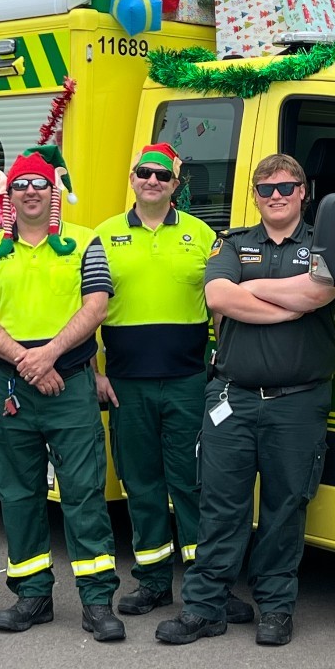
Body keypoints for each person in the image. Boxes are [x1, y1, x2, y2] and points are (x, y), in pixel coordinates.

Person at [157, 153, 335, 649]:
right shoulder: (232, 243)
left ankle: (276, 608)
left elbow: (320, 293)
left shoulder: (324, 245)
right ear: (254, 196)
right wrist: (289, 305)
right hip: (232, 399)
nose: (276, 197)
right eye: (266, 190)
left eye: (285, 187)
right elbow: (218, 298)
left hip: (298, 403)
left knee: (286, 509)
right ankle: (204, 608)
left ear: (304, 191)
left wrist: (254, 289)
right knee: (220, 508)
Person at [0, 144, 125, 643]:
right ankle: (31, 594)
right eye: (21, 184)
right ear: (9, 194)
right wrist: (28, 363)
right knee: (18, 495)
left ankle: (97, 602)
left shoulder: (84, 242)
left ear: (53, 190)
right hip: (13, 385)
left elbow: (96, 306)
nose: (31, 192)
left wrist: (48, 356)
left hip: (71, 384)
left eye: (40, 183)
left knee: (83, 495)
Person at [93, 143, 239, 618]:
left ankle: (207, 585)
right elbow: (82, 308)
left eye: (162, 176)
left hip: (188, 382)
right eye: (144, 173)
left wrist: (222, 369)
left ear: (177, 185)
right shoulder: (102, 235)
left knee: (194, 485)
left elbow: (221, 309)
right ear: (132, 178)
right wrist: (94, 372)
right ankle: (154, 582)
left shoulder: (203, 236)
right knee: (142, 484)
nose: (152, 181)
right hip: (126, 384)